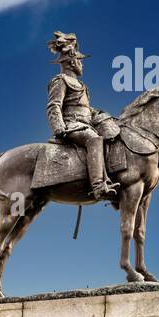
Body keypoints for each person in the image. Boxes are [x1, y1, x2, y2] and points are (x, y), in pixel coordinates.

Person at [45, 31, 119, 201]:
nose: (81, 65)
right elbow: (54, 105)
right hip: (72, 125)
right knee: (94, 140)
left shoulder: (82, 85)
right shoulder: (60, 80)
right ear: (71, 61)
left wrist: (102, 116)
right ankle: (99, 186)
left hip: (87, 124)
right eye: (79, 60)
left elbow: (85, 109)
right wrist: (59, 127)